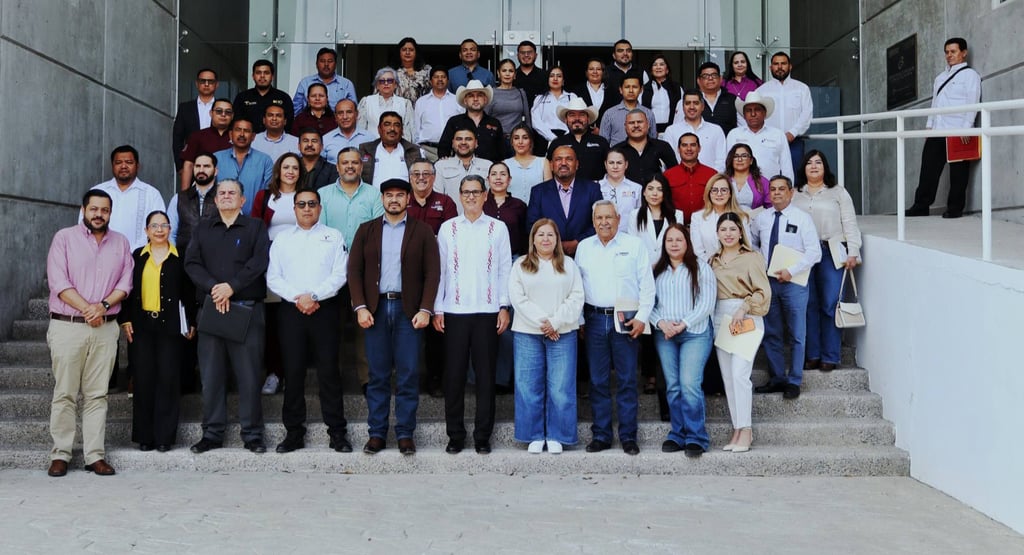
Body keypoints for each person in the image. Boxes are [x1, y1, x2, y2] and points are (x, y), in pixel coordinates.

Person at [350, 178, 441, 455]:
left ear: (408, 199)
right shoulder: (366, 230)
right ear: (382, 199)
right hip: (375, 310)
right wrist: (360, 306)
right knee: (377, 375)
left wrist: (426, 309)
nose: (394, 200)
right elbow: (354, 271)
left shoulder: (422, 231)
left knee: (408, 374)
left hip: (408, 311)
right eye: (389, 195)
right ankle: (377, 433)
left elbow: (433, 273)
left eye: (399, 195)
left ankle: (405, 434)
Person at [45, 189, 132, 477]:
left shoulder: (121, 243)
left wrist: (102, 307)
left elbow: (125, 283)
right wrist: (88, 309)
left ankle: (95, 455)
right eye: (94, 209)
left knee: (97, 395)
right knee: (65, 393)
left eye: (104, 210)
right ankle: (61, 454)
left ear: (110, 213)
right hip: (68, 326)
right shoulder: (64, 238)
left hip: (105, 329)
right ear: (83, 210)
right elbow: (59, 281)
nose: (99, 214)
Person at [184, 179, 271, 454]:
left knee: (249, 376)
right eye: (221, 193)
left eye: (232, 192)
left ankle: (252, 434)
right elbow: (191, 263)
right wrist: (215, 288)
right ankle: (211, 434)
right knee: (211, 377)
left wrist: (232, 286)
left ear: (242, 200)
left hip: (246, 309)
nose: (226, 196)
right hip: (211, 309)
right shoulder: (202, 228)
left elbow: (259, 261)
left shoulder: (256, 227)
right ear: (215, 200)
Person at [266, 189, 352, 453]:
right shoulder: (282, 239)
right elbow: (273, 277)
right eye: (301, 204)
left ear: (319, 208)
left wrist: (313, 296)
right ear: (294, 209)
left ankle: (337, 433)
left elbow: (340, 274)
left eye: (311, 204)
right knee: (293, 373)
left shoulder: (333, 236)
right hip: (292, 311)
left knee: (329, 372)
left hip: (324, 309)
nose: (306, 208)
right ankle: (294, 433)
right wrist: (298, 298)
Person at [434, 175, 513, 455]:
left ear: (485, 195)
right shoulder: (448, 228)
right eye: (466, 192)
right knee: (454, 376)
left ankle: (482, 436)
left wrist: (503, 306)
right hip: (454, 312)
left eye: (476, 192)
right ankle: (455, 435)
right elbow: (440, 271)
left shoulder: (497, 228)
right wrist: (438, 307)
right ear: (459, 195)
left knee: (486, 377)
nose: (471, 197)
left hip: (487, 312)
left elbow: (505, 269)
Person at [575, 200, 655, 455]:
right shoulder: (584, 247)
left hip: (627, 318)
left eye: (609, 217)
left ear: (619, 219)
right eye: (599, 218)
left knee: (627, 379)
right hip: (594, 319)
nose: (604, 222)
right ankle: (601, 435)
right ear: (593, 221)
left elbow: (647, 285)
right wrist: (580, 320)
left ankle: (628, 436)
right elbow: (577, 287)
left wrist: (642, 317)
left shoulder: (634, 245)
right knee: (598, 380)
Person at [119, 210, 195, 453]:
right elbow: (127, 289)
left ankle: (164, 437)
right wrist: (125, 319)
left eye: (164, 225)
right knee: (143, 380)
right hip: (142, 326)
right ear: (146, 230)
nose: (159, 230)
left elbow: (189, 293)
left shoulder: (180, 257)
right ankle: (145, 436)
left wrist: (191, 322)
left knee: (168, 380)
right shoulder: (137, 256)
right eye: (154, 225)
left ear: (170, 229)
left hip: (171, 326)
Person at [509, 219, 584, 454]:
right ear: (533, 239)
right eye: (540, 234)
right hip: (527, 333)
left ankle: (557, 435)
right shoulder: (520, 265)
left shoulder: (569, 265)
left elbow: (576, 296)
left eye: (550, 235)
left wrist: (555, 322)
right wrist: (545, 323)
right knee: (528, 385)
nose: (545, 239)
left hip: (563, 332)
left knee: (561, 387)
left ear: (557, 239)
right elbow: (517, 299)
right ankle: (533, 435)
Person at [750, 175, 821, 400]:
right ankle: (777, 377)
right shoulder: (762, 218)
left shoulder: (802, 218)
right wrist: (760, 262)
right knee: (772, 332)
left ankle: (794, 380)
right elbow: (752, 242)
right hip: (768, 282)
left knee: (797, 333)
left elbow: (815, 252)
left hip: (794, 283)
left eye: (782, 189)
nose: (777, 193)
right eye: (773, 189)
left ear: (791, 192)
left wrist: (791, 270)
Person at [649, 223, 716, 457]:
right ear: (664, 244)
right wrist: (661, 323)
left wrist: (682, 324)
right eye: (669, 240)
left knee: (689, 384)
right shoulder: (656, 271)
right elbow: (648, 303)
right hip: (665, 335)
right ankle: (677, 433)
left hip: (695, 333)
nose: (674, 244)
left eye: (679, 240)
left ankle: (696, 436)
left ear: (687, 243)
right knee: (673, 385)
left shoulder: (701, 268)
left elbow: (707, 303)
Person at [793, 150, 862, 372]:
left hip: (832, 251)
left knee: (831, 302)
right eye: (809, 163)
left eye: (818, 162)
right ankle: (812, 354)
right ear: (803, 167)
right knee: (809, 304)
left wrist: (853, 251)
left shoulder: (838, 192)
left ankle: (830, 355)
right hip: (804, 254)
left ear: (825, 167)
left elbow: (849, 222)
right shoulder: (795, 194)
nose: (814, 166)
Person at [710, 211, 771, 453]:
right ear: (717, 233)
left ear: (740, 232)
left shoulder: (752, 257)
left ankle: (746, 429)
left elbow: (763, 291)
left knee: (739, 375)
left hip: (746, 316)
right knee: (728, 378)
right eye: (723, 229)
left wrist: (744, 308)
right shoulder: (712, 260)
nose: (728, 234)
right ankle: (736, 428)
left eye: (732, 229)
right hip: (720, 317)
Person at [905, 37, 982, 219]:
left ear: (964, 53)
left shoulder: (970, 75)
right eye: (947, 52)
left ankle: (955, 209)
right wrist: (929, 126)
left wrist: (967, 128)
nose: (949, 55)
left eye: (953, 51)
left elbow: (973, 102)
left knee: (958, 173)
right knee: (928, 170)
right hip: (938, 130)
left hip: (958, 130)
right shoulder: (940, 78)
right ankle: (921, 206)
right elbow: (935, 104)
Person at [251, 153, 304, 396]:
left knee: (295, 319)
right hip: (271, 263)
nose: (290, 171)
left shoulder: (306, 196)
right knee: (273, 321)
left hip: (300, 263)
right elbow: (254, 229)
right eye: (286, 167)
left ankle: (294, 372)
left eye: (295, 167)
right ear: (278, 171)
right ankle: (274, 373)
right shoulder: (265, 197)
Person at [405, 159, 457, 398]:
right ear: (410, 178)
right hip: (407, 274)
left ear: (434, 178)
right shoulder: (403, 202)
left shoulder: (445, 202)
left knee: (436, 330)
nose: (421, 177)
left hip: (438, 272)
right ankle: (411, 380)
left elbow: (450, 238)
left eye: (426, 173)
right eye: (416, 174)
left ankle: (436, 379)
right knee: (409, 329)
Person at [485, 161, 529, 394]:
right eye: (494, 174)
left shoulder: (519, 205)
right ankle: (485, 375)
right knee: (486, 319)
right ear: (488, 179)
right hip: (484, 265)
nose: (498, 178)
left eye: (503, 174)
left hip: (513, 263)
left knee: (509, 320)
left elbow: (525, 237)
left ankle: (506, 378)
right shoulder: (481, 202)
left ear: (509, 180)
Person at [526, 145, 604, 256]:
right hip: (549, 255)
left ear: (577, 164)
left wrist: (578, 242)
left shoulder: (592, 189)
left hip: (586, 253)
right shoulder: (538, 192)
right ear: (551, 165)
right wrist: (554, 243)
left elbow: (600, 221)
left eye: (569, 159)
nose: (563, 163)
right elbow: (532, 225)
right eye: (558, 159)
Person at [89, 145, 166, 252]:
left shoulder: (152, 194)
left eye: (129, 162)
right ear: (112, 166)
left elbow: (159, 228)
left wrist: (134, 252)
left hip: (140, 256)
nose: (123, 166)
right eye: (118, 162)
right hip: (100, 254)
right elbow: (85, 226)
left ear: (137, 166)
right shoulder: (97, 191)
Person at [757, 51, 814, 173]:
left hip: (794, 142)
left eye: (783, 63)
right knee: (768, 176)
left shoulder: (802, 88)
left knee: (794, 177)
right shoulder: (761, 91)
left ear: (790, 66)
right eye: (776, 64)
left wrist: (792, 133)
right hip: (768, 142)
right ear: (770, 67)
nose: (779, 67)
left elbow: (806, 114)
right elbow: (757, 117)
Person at [726, 91, 794, 181]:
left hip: (771, 187)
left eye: (757, 110)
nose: (753, 114)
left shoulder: (778, 135)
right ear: (744, 115)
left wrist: (788, 186)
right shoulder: (734, 134)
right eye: (748, 111)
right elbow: (728, 165)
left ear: (764, 113)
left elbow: (786, 167)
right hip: (741, 186)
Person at [213, 116, 274, 216]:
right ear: (230, 134)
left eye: (246, 131)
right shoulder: (216, 158)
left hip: (254, 221)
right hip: (220, 220)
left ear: (253, 136)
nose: (242, 134)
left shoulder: (264, 160)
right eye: (238, 130)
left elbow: (269, 194)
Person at [438, 80, 507, 162]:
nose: (475, 99)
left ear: (485, 99)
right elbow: (443, 149)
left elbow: (502, 152)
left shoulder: (495, 123)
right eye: (471, 96)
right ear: (465, 100)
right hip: (460, 168)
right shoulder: (454, 122)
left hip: (489, 168)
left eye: (479, 95)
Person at [546, 97, 609, 181]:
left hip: (596, 188)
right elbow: (548, 170)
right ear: (566, 120)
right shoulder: (557, 143)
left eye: (582, 115)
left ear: (588, 119)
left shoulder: (601, 142)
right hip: (565, 188)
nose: (577, 118)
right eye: (572, 115)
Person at [690, 173, 751, 262]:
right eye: (714, 190)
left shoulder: (741, 217)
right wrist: (714, 266)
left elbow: (747, 247)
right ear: (709, 193)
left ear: (730, 194)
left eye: (724, 190)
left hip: (737, 266)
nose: (719, 194)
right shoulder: (697, 218)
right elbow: (698, 252)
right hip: (708, 267)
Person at [663, 89, 727, 171]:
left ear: (702, 106)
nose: (692, 107)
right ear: (683, 107)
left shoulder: (716, 130)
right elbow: (668, 161)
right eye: (687, 103)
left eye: (696, 103)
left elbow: (721, 161)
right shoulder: (671, 131)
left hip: (711, 178)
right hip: (679, 178)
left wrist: (711, 177)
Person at [179, 98, 233, 191]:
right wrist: (184, 194)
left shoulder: (237, 138)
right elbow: (188, 165)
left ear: (232, 116)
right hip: (202, 189)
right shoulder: (197, 136)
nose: (223, 114)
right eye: (219, 111)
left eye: (228, 112)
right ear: (211, 113)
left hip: (229, 189)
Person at [357, 111, 423, 187]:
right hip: (372, 194)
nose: (392, 128)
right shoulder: (365, 150)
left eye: (396, 125)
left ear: (402, 130)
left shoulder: (413, 151)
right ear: (379, 129)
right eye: (387, 124)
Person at [663, 132, 717, 222]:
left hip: (705, 224)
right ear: (678, 149)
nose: (689, 149)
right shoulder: (667, 175)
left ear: (699, 148)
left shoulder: (712, 174)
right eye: (684, 145)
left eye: (693, 145)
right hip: (676, 225)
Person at [615, 109, 677, 184]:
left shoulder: (663, 147)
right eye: (631, 123)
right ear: (625, 126)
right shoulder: (616, 150)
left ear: (648, 124)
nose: (636, 125)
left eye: (640, 122)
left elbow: (675, 174)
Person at [173, 68, 218, 171]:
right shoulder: (185, 108)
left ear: (216, 84)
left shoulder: (222, 108)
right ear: (197, 84)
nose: (206, 84)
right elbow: (177, 139)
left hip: (217, 162)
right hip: (191, 163)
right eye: (202, 81)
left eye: (210, 81)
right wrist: (180, 167)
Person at [233, 59, 294, 134]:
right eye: (258, 73)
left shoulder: (283, 98)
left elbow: (289, 125)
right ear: (253, 76)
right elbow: (236, 123)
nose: (262, 76)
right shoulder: (242, 97)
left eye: (266, 73)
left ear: (272, 76)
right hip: (248, 139)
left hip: (276, 140)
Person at [414, 67, 462, 161]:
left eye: (443, 77)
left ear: (448, 80)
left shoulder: (457, 101)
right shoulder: (421, 102)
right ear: (430, 81)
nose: (440, 79)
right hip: (428, 150)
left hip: (452, 151)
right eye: (436, 77)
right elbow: (416, 128)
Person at [357, 67, 417, 143]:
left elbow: (409, 131)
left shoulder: (405, 104)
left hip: (398, 147)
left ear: (395, 85)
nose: (386, 83)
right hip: (371, 146)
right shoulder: (366, 102)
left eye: (390, 81)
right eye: (382, 81)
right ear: (377, 85)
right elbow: (360, 130)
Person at [434, 127, 492, 205]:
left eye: (468, 139)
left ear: (476, 143)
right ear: (453, 143)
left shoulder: (488, 165)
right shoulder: (440, 166)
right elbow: (437, 198)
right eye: (459, 139)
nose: (463, 142)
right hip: (451, 213)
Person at [292, 47, 357, 115]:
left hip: (337, 121)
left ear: (335, 64)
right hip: (308, 121)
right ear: (316, 64)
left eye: (330, 61)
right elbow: (295, 110)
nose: (326, 64)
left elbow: (353, 111)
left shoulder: (346, 84)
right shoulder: (305, 83)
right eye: (322, 61)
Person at [600, 72, 656, 147]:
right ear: (620, 90)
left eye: (635, 87)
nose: (631, 90)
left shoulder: (648, 113)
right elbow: (603, 144)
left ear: (641, 90)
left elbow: (653, 141)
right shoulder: (609, 114)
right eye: (627, 87)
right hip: (617, 154)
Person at [530, 66, 578, 144]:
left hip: (569, 138)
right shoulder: (540, 98)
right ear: (547, 79)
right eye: (552, 76)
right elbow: (536, 122)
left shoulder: (572, 97)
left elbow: (576, 118)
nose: (555, 79)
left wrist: (566, 136)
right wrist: (553, 138)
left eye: (559, 76)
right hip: (545, 139)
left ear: (563, 81)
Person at [505, 123, 552, 201]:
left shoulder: (543, 162)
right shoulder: (505, 164)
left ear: (531, 141)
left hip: (538, 207)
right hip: (511, 208)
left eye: (525, 138)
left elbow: (549, 192)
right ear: (512, 142)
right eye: (516, 138)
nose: (520, 142)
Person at [598, 147, 642, 230]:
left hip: (629, 235)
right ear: (605, 164)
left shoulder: (636, 188)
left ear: (626, 165)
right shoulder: (596, 187)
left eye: (619, 163)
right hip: (602, 235)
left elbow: (640, 217)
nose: (615, 166)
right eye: (611, 163)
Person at [322, 99, 375, 164]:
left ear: (357, 114)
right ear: (335, 117)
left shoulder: (370, 138)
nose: (345, 117)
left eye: (349, 112)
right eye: (340, 113)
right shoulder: (325, 140)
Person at [490, 59, 532, 137]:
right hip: (496, 138)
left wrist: (528, 137)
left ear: (515, 74)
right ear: (498, 73)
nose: (507, 74)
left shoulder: (521, 92)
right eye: (504, 71)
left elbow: (527, 120)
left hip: (517, 139)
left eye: (511, 71)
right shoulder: (491, 93)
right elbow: (485, 118)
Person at [641, 54, 683, 133]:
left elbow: (682, 110)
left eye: (661, 64)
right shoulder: (644, 89)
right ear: (651, 70)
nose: (658, 67)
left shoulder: (677, 88)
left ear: (667, 70)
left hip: (672, 129)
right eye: (655, 65)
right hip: (650, 130)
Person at [725, 143, 772, 212]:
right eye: (735, 156)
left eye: (744, 156)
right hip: (726, 218)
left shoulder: (762, 182)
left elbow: (771, 207)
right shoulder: (723, 180)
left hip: (756, 218)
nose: (739, 159)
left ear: (751, 161)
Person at [695, 62, 739, 136]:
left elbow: (743, 127)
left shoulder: (733, 100)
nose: (710, 78)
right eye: (705, 76)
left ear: (720, 79)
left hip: (727, 142)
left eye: (714, 75)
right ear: (698, 81)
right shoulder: (690, 100)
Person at [603, 39, 649, 106]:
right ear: (614, 55)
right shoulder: (605, 72)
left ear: (632, 54)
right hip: (612, 112)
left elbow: (647, 96)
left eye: (628, 51)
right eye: (620, 51)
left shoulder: (641, 72)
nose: (625, 53)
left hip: (636, 111)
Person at [574, 58, 615, 127]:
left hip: (607, 130)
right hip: (583, 131)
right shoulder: (576, 91)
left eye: (598, 69)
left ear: (603, 72)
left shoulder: (612, 91)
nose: (595, 72)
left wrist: (601, 129)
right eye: (591, 69)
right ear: (586, 72)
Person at [394, 37, 432, 103]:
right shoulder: (391, 73)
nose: (407, 52)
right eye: (404, 50)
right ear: (399, 52)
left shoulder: (427, 71)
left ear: (416, 52)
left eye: (411, 50)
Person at [513, 40, 548, 106]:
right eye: (522, 53)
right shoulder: (512, 76)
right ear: (517, 56)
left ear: (536, 55)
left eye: (529, 52)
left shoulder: (545, 75)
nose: (526, 55)